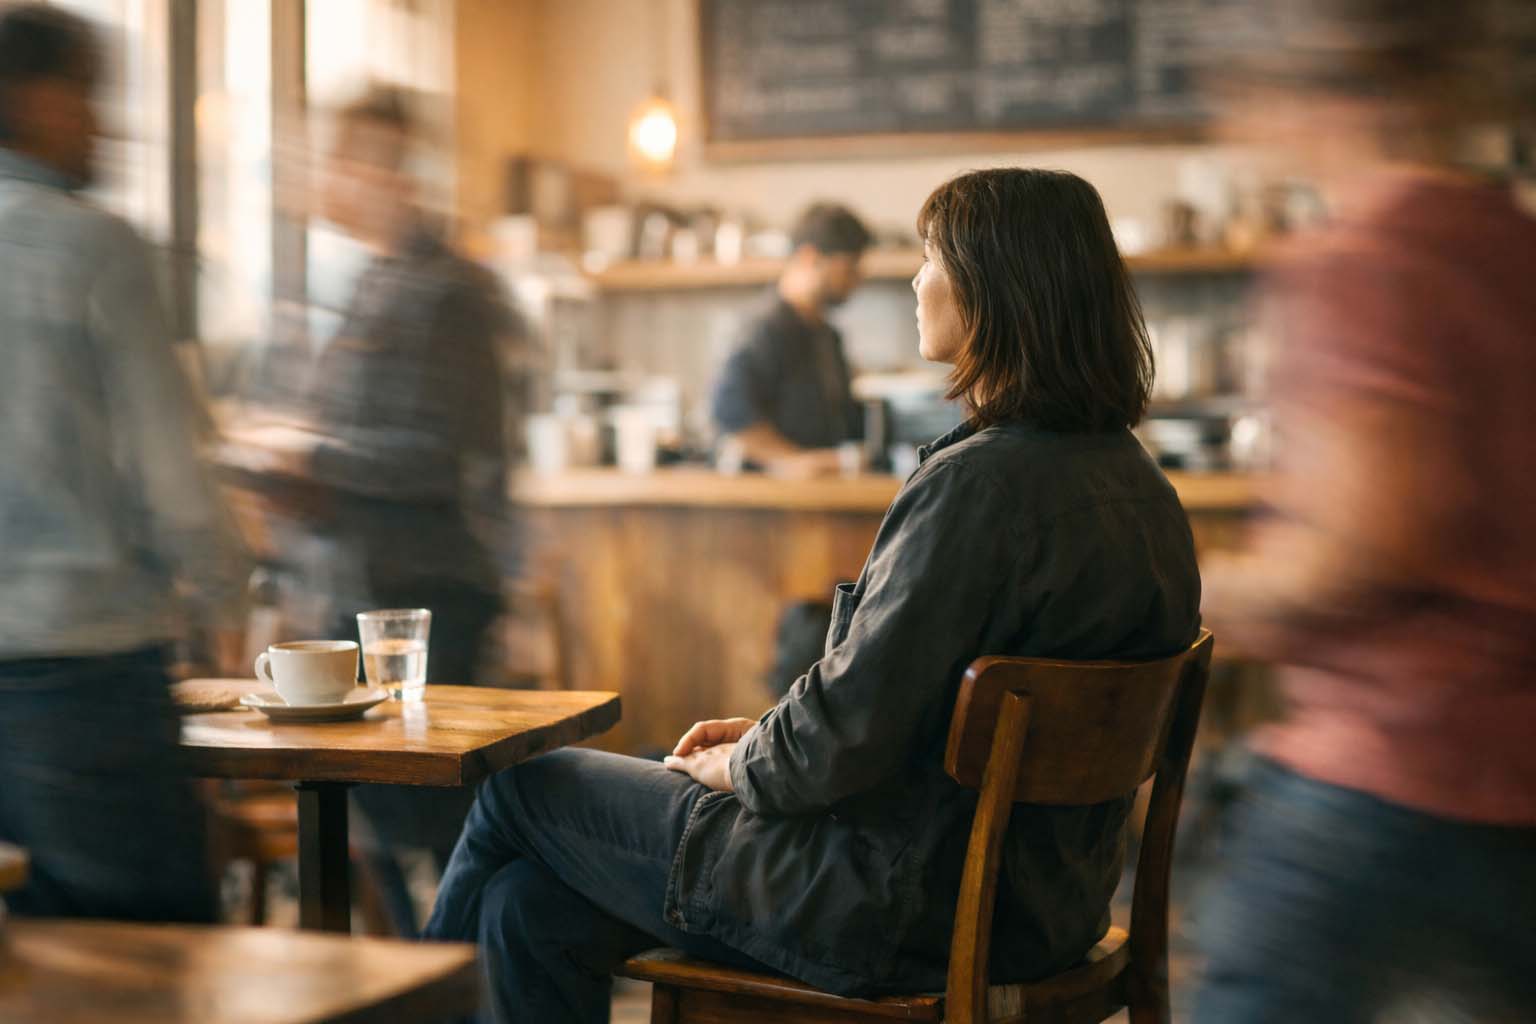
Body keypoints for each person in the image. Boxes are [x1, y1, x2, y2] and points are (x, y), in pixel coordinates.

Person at [424, 168, 1201, 1024]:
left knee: (522, 788)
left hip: (886, 905)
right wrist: (765, 738)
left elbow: (838, 743)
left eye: (930, 255)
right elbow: (895, 711)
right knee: (529, 908)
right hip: (1036, 910)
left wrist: (740, 762)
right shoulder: (1145, 491)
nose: (913, 279)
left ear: (994, 289)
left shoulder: (976, 490)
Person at [1192, 3, 1536, 1020]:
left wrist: (1190, 586)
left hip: (1388, 776)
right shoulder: (1510, 243)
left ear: (1314, 91)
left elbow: (1357, 545)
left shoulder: (1364, 259)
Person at [0, 4, 249, 921]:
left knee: (35, 973)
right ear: (29, 97)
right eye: (90, 95)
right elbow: (171, 472)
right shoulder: (95, 244)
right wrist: (226, 595)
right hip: (80, 667)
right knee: (161, 957)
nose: (104, 122)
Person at [253, 85, 519, 936]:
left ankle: (455, 984)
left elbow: (438, 459)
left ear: (393, 166)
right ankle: (416, 979)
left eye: (349, 156)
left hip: (423, 600)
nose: (332, 175)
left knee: (437, 830)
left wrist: (308, 454)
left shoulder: (449, 291)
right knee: (363, 824)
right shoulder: (372, 280)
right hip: (356, 592)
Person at [711, 202, 872, 477]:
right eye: (850, 266)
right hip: (773, 504)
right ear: (810, 257)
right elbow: (732, 417)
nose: (857, 279)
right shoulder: (764, 329)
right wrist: (794, 461)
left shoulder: (827, 336)